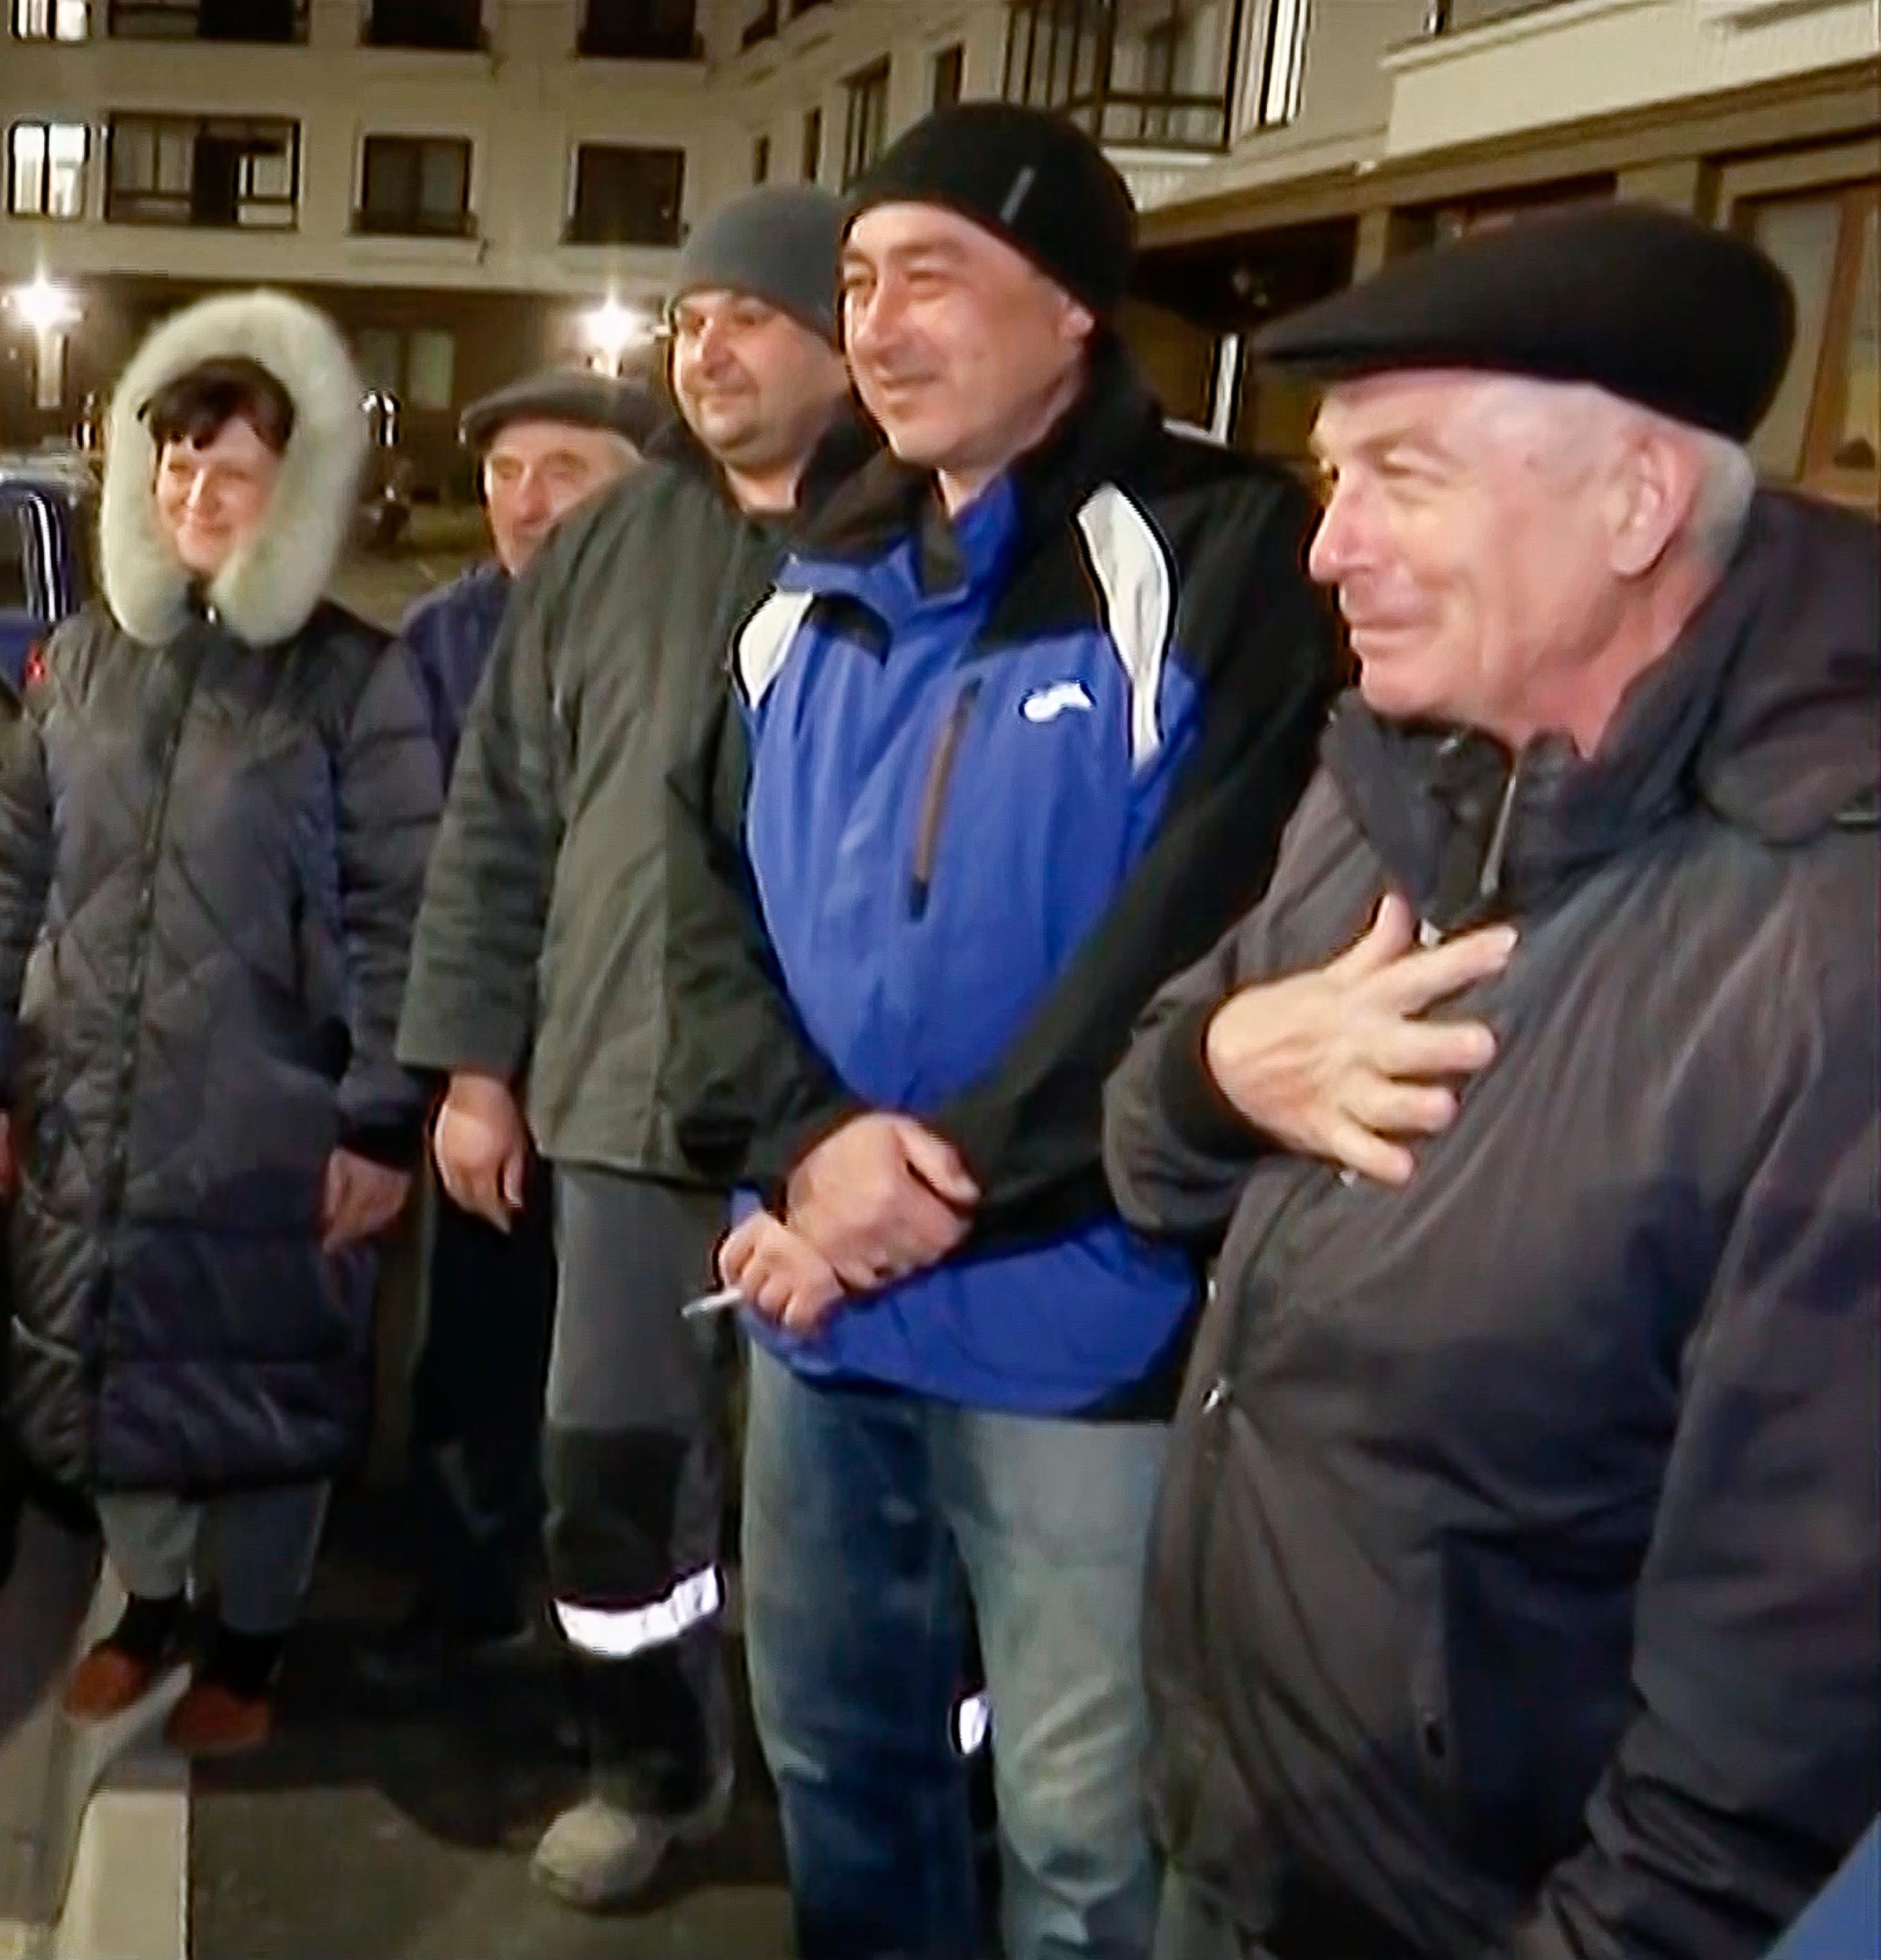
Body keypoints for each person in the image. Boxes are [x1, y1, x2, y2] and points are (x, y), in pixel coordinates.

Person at [1102, 201, 1879, 1960]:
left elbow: (1778, 1735)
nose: (1327, 548)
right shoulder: (1395, 779)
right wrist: (1223, 1070)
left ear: (1634, 505)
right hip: (1246, 1844)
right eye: (1331, 478)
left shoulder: (1829, 944)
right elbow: (1145, 1147)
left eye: (1402, 475)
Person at [665, 106, 1339, 1960]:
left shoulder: (1216, 557)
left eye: (933, 276)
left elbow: (1201, 929)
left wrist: (925, 1188)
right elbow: (700, 901)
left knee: (1085, 1835)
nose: (877, 326)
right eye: (858, 280)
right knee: (839, 1767)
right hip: (821, 1311)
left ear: (1072, 309)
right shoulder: (811, 581)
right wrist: (803, 1153)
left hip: (1078, 1320)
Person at [401, 184, 856, 1911]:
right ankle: (648, 1772)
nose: (708, 349)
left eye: (752, 317)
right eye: (691, 320)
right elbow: (500, 820)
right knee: (610, 1479)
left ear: (844, 343)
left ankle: (887, 1797)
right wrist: (475, 1065)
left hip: (845, 1129)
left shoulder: (920, 533)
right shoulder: (608, 553)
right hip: (616, 1099)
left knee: (851, 1504)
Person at [0, 290, 443, 1760]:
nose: (197, 497)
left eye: (233, 472)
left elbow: (402, 907)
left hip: (267, 1118)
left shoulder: (354, 679)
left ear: (298, 493)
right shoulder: (87, 661)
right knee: (109, 1373)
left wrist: (380, 1117)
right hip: (91, 1102)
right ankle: (151, 1602)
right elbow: (14, 871)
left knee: (268, 1390)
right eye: (175, 468)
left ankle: (255, 1635)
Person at [356, 366, 666, 1702]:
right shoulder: (444, 640)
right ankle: (466, 1599)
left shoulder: (691, 621)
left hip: (645, 1070)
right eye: (504, 475)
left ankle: (628, 1648)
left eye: (565, 473)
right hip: (496, 1062)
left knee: (633, 1381)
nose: (528, 503)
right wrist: (465, 1068)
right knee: (474, 1349)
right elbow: (438, 867)